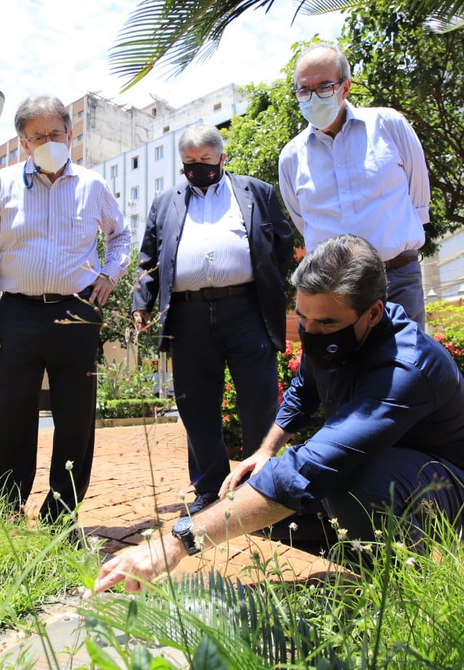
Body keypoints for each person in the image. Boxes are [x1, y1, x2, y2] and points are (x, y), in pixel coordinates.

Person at [90, 234, 464, 595]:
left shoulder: (407, 367)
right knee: (250, 489)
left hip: (460, 489)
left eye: (325, 322)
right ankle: (363, 549)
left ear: (373, 312)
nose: (310, 332)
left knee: (348, 481)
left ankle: (402, 576)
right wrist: (265, 452)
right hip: (387, 467)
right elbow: (304, 390)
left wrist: (177, 541)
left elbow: (315, 466)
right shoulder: (334, 335)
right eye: (302, 318)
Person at [0, 95, 131, 525]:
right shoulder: (0, 186)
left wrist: (109, 275)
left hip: (76, 312)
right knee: (13, 412)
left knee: (76, 414)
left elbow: (121, 237)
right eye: (37, 136)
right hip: (16, 313)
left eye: (55, 133)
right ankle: (8, 509)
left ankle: (60, 514)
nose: (48, 141)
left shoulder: (92, 185)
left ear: (69, 134)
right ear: (23, 142)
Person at [132, 125, 294, 515]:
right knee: (197, 405)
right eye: (189, 162)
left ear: (222, 158)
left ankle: (260, 488)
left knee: (258, 400)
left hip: (246, 311)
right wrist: (142, 302)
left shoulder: (257, 192)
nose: (197, 168)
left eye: (205, 160)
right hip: (186, 316)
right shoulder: (164, 203)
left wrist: (269, 286)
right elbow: (148, 260)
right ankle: (208, 489)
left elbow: (284, 244)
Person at [279, 43, 431, 326]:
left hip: (397, 278)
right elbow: (303, 221)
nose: (313, 97)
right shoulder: (290, 157)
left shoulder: (389, 124)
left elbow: (418, 200)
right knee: (339, 369)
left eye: (324, 86)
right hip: (332, 293)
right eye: (304, 90)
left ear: (345, 87)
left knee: (407, 366)